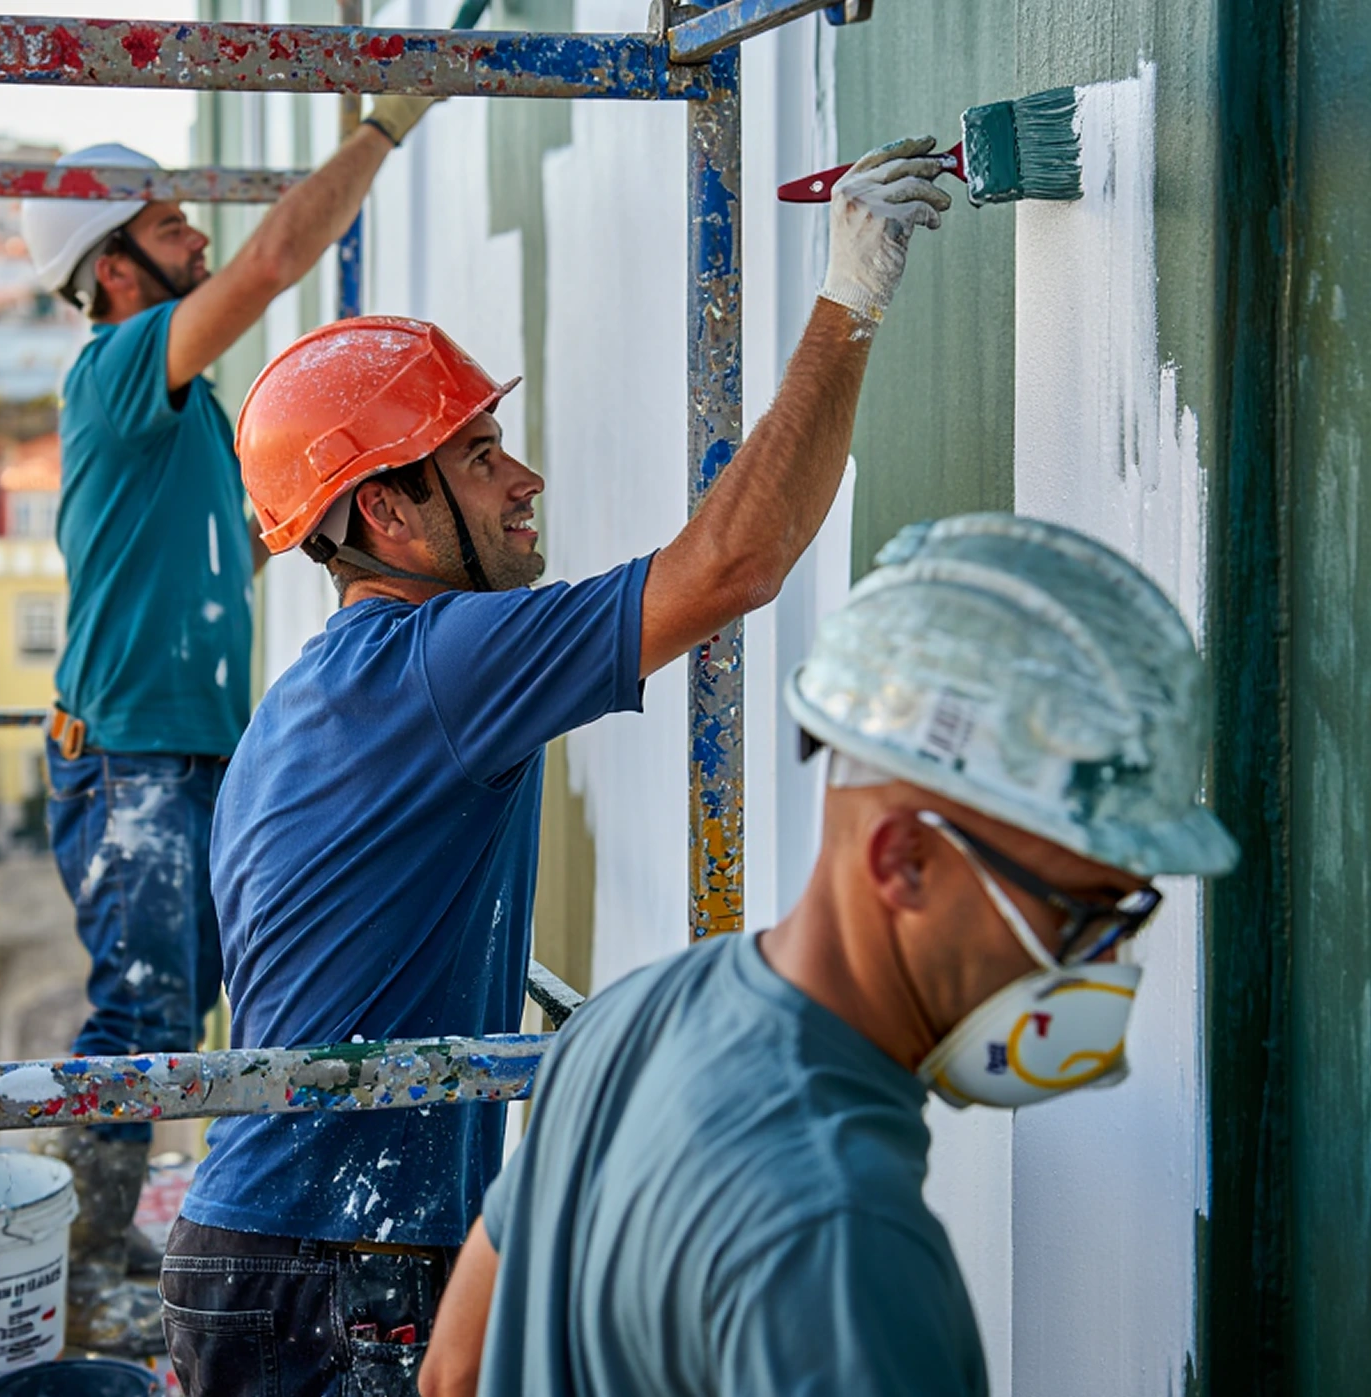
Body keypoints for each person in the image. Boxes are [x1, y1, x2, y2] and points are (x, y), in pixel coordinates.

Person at [159, 137, 955, 1395]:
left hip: (283, 1252)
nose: (524, 477)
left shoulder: (318, 690)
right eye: (478, 455)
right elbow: (730, 569)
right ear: (385, 511)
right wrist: (848, 294)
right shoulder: (438, 664)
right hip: (333, 1266)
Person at [417, 512, 1243, 1396]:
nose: (1102, 968)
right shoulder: (844, 1249)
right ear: (905, 862)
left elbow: (453, 1372)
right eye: (1081, 914)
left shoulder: (629, 1020)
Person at [15, 91, 436, 1355]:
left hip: (186, 741)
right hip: (132, 747)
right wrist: (384, 131)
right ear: (112, 265)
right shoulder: (119, 368)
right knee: (145, 1012)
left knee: (188, 1000)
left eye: (188, 220)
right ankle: (89, 1257)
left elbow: (220, 550)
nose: (196, 236)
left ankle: (108, 1240)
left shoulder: (187, 412)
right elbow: (272, 260)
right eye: (168, 223)